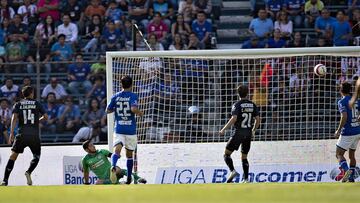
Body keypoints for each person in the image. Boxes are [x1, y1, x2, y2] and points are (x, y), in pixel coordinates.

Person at [1, 86, 48, 186]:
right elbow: (46, 117)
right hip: (34, 135)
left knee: (13, 156)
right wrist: (36, 121)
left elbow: (14, 118)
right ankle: (29, 172)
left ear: (23, 94)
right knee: (36, 156)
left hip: (21, 134)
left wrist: (11, 133)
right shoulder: (37, 103)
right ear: (31, 93)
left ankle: (5, 180)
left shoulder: (18, 104)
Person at [106, 75, 144, 184]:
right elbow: (133, 108)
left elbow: (108, 110)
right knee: (129, 155)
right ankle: (128, 177)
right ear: (132, 84)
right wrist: (140, 113)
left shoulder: (115, 96)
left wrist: (117, 108)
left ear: (120, 84)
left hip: (119, 128)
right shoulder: (133, 96)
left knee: (117, 150)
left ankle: (113, 166)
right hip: (130, 130)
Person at [219, 85, 260, 183]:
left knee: (226, 154)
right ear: (248, 93)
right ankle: (246, 179)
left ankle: (232, 171)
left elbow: (234, 118)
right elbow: (258, 120)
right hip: (248, 133)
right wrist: (253, 130)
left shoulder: (237, 105)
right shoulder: (252, 104)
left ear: (238, 94)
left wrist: (223, 129)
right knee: (244, 156)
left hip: (238, 133)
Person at [81, 140, 146, 185]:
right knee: (97, 183)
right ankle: (118, 183)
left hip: (112, 171)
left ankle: (138, 178)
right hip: (104, 179)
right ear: (86, 150)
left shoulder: (101, 152)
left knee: (117, 169)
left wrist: (117, 155)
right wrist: (86, 183)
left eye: (93, 144)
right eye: (91, 146)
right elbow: (86, 172)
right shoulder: (85, 160)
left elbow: (112, 156)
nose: (94, 146)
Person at [334, 82, 360, 182]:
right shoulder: (356, 100)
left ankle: (347, 171)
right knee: (351, 155)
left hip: (347, 132)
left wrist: (338, 130)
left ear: (341, 90)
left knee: (338, 154)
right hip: (357, 131)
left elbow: (344, 116)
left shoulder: (342, 102)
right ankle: (351, 178)